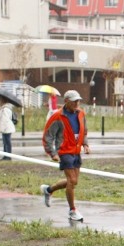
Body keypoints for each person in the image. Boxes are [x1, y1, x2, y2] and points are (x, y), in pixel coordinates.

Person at [41, 90, 91, 222]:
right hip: (64, 151)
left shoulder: (81, 114)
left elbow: (84, 130)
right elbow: (48, 136)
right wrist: (52, 153)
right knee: (72, 181)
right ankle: (72, 210)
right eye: (74, 101)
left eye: (78, 101)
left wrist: (85, 144)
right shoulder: (57, 116)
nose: (77, 103)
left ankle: (48, 190)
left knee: (73, 182)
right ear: (66, 101)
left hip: (76, 151)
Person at [0, 96, 16, 161]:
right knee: (5, 143)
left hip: (6, 128)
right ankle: (5, 155)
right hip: (4, 128)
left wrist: (4, 128)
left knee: (7, 142)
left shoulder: (6, 109)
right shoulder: (3, 108)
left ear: (2, 101)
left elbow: (5, 120)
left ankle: (8, 156)